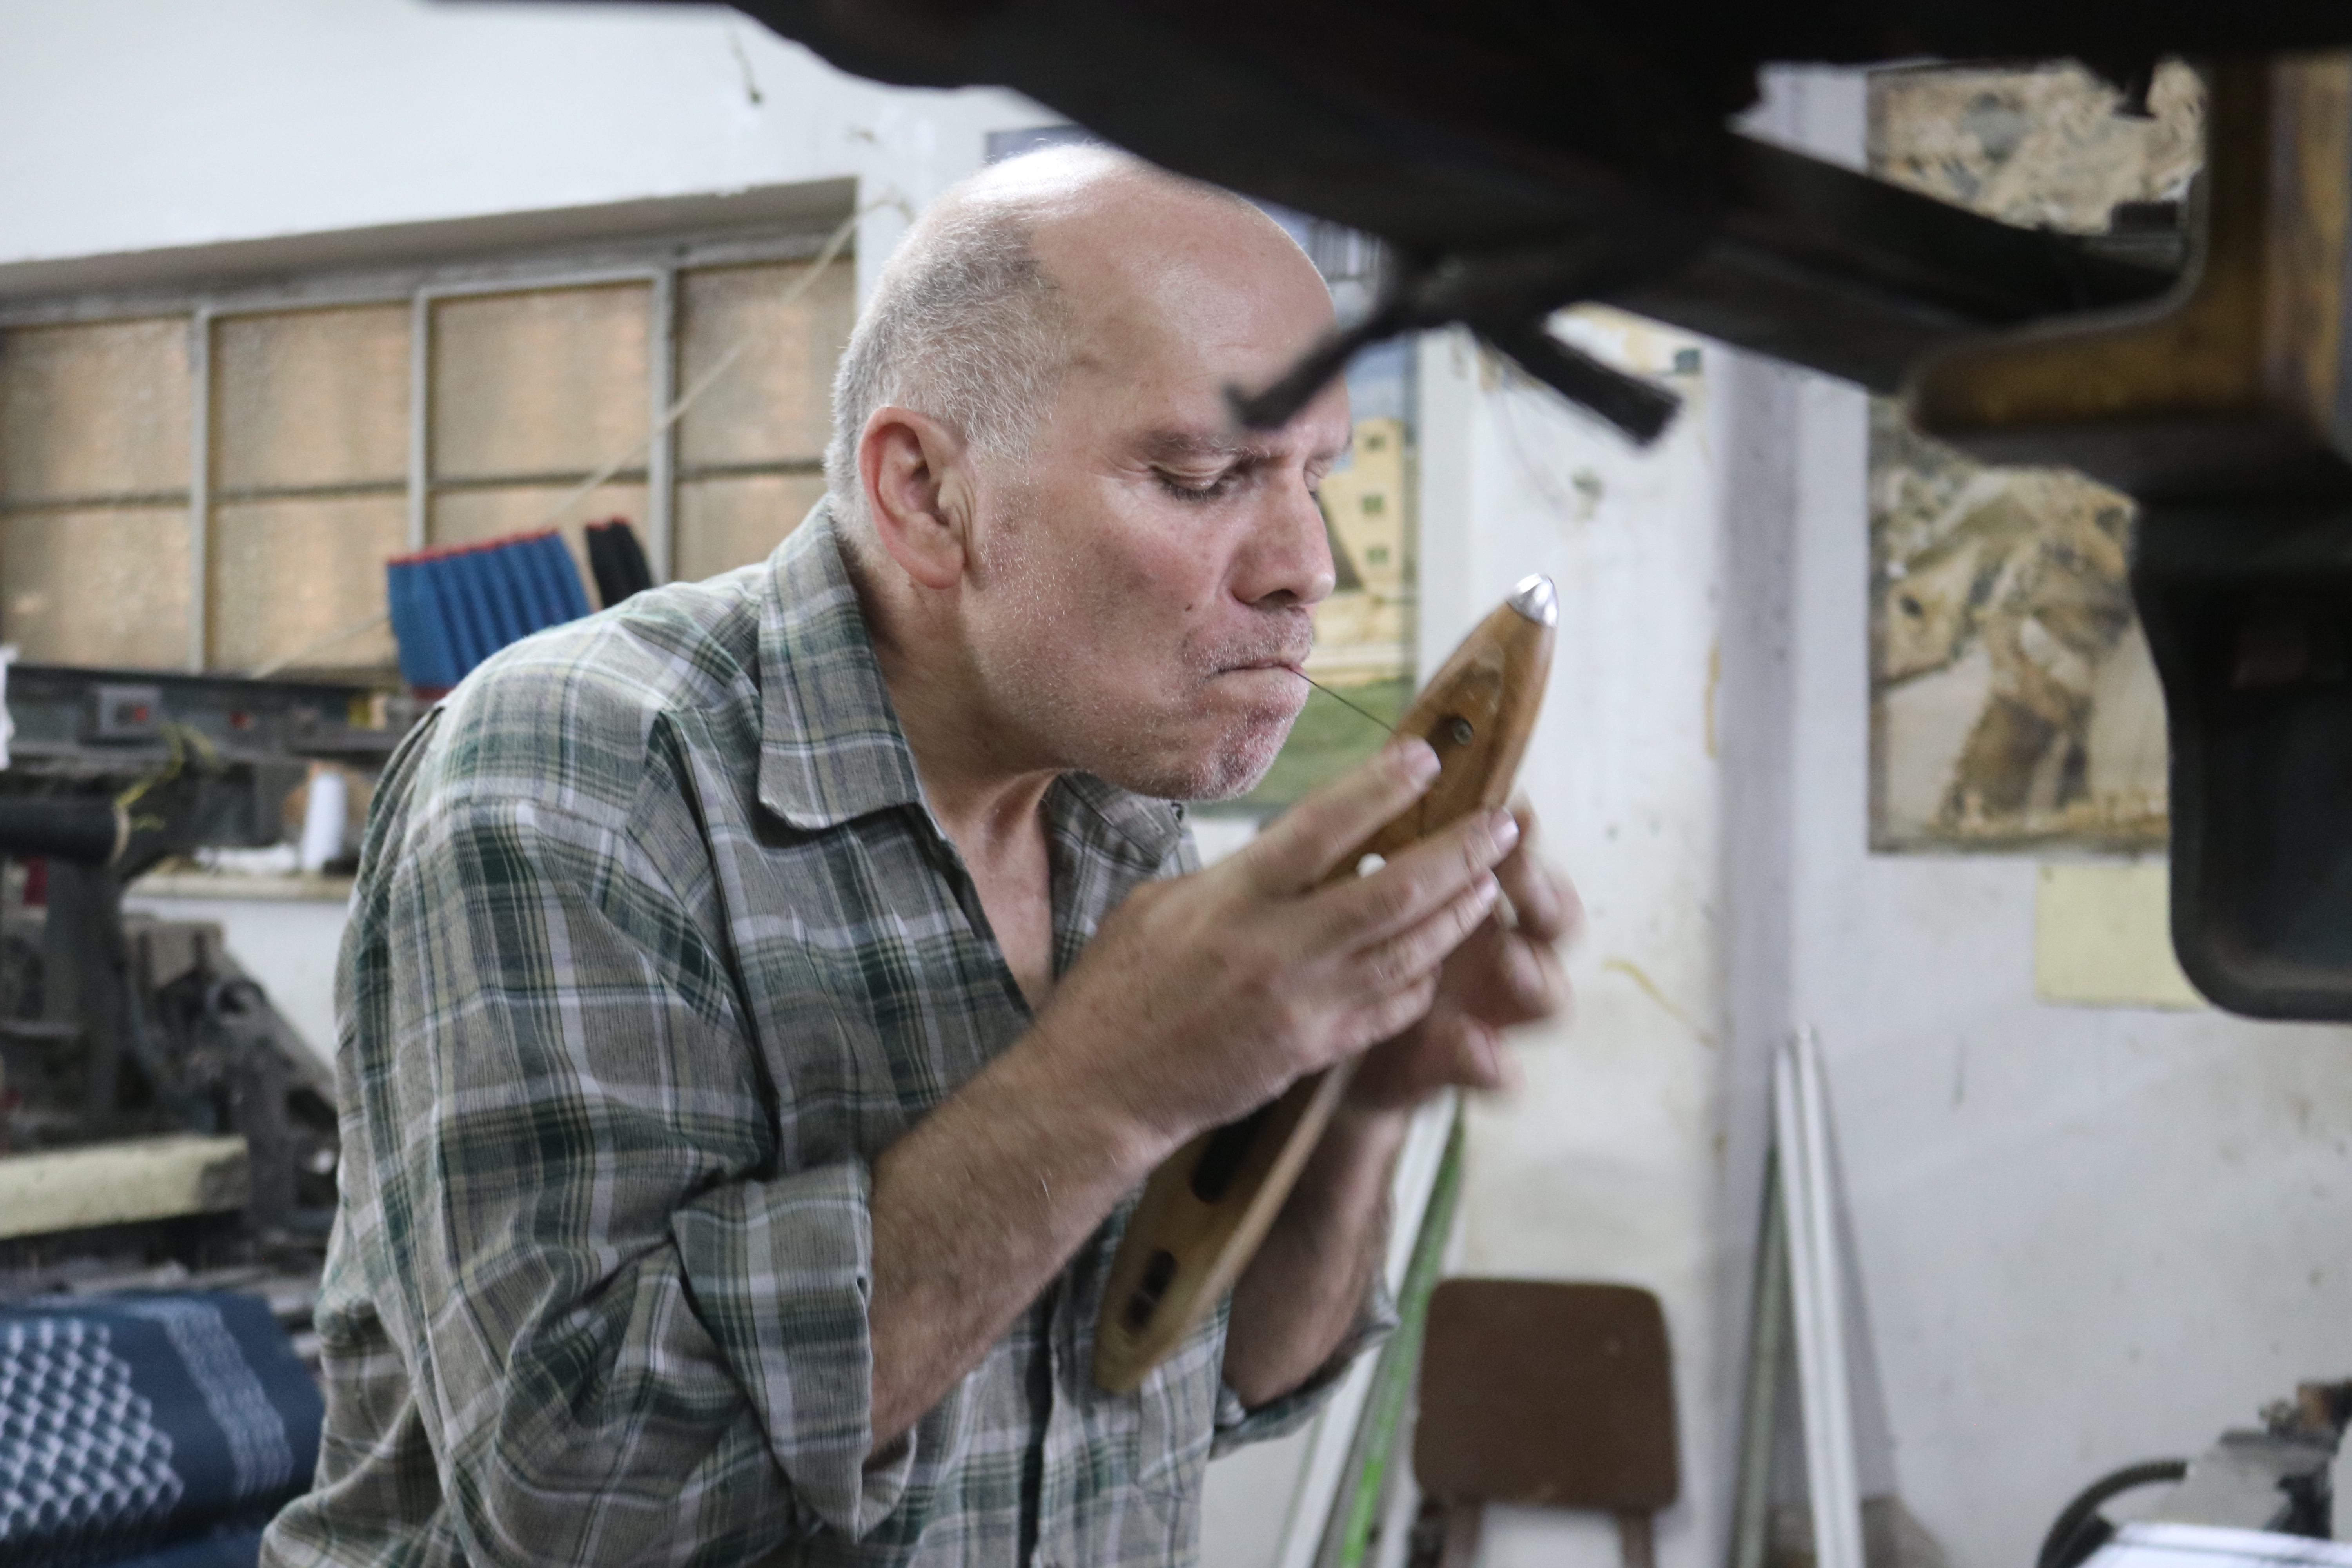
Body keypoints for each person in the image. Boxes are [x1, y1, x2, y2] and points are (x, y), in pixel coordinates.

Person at [262, 146, 1574, 1568]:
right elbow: (583, 1506)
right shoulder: (577, 768)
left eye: (1316, 476)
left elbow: (1201, 1390)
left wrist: (1359, 1094)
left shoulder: (1112, 807)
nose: (1306, 567)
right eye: (1204, 476)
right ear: (926, 494)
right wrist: (1108, 1085)